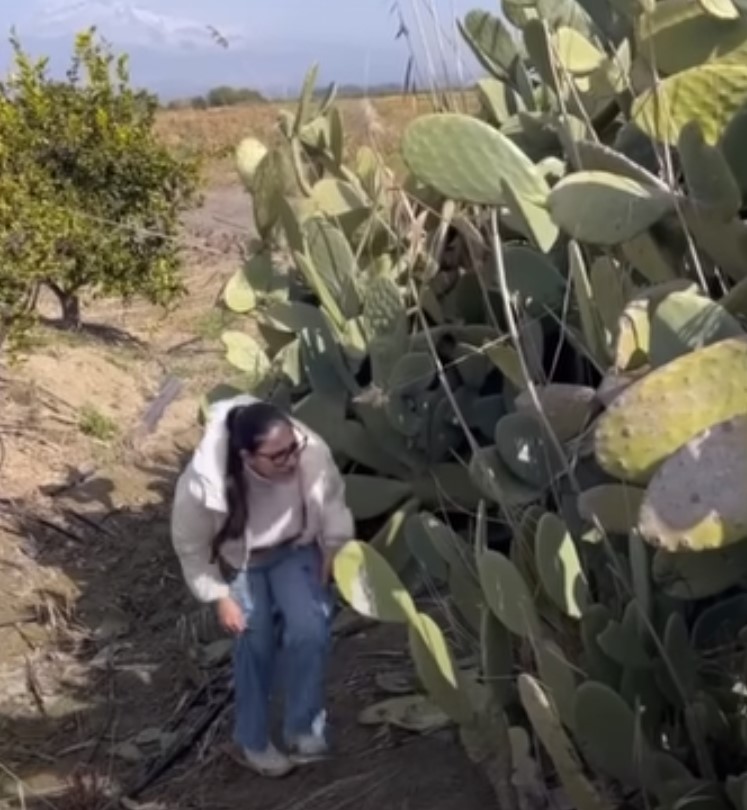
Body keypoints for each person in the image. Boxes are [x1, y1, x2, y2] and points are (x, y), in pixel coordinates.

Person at [170, 394, 354, 778]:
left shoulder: (308, 450)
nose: (291, 459)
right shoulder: (200, 488)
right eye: (278, 456)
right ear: (246, 456)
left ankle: (304, 729)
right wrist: (219, 597)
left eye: (293, 448)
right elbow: (192, 550)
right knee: (255, 646)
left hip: (295, 549)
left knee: (311, 631)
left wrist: (334, 546)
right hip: (243, 565)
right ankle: (253, 740)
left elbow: (332, 499)